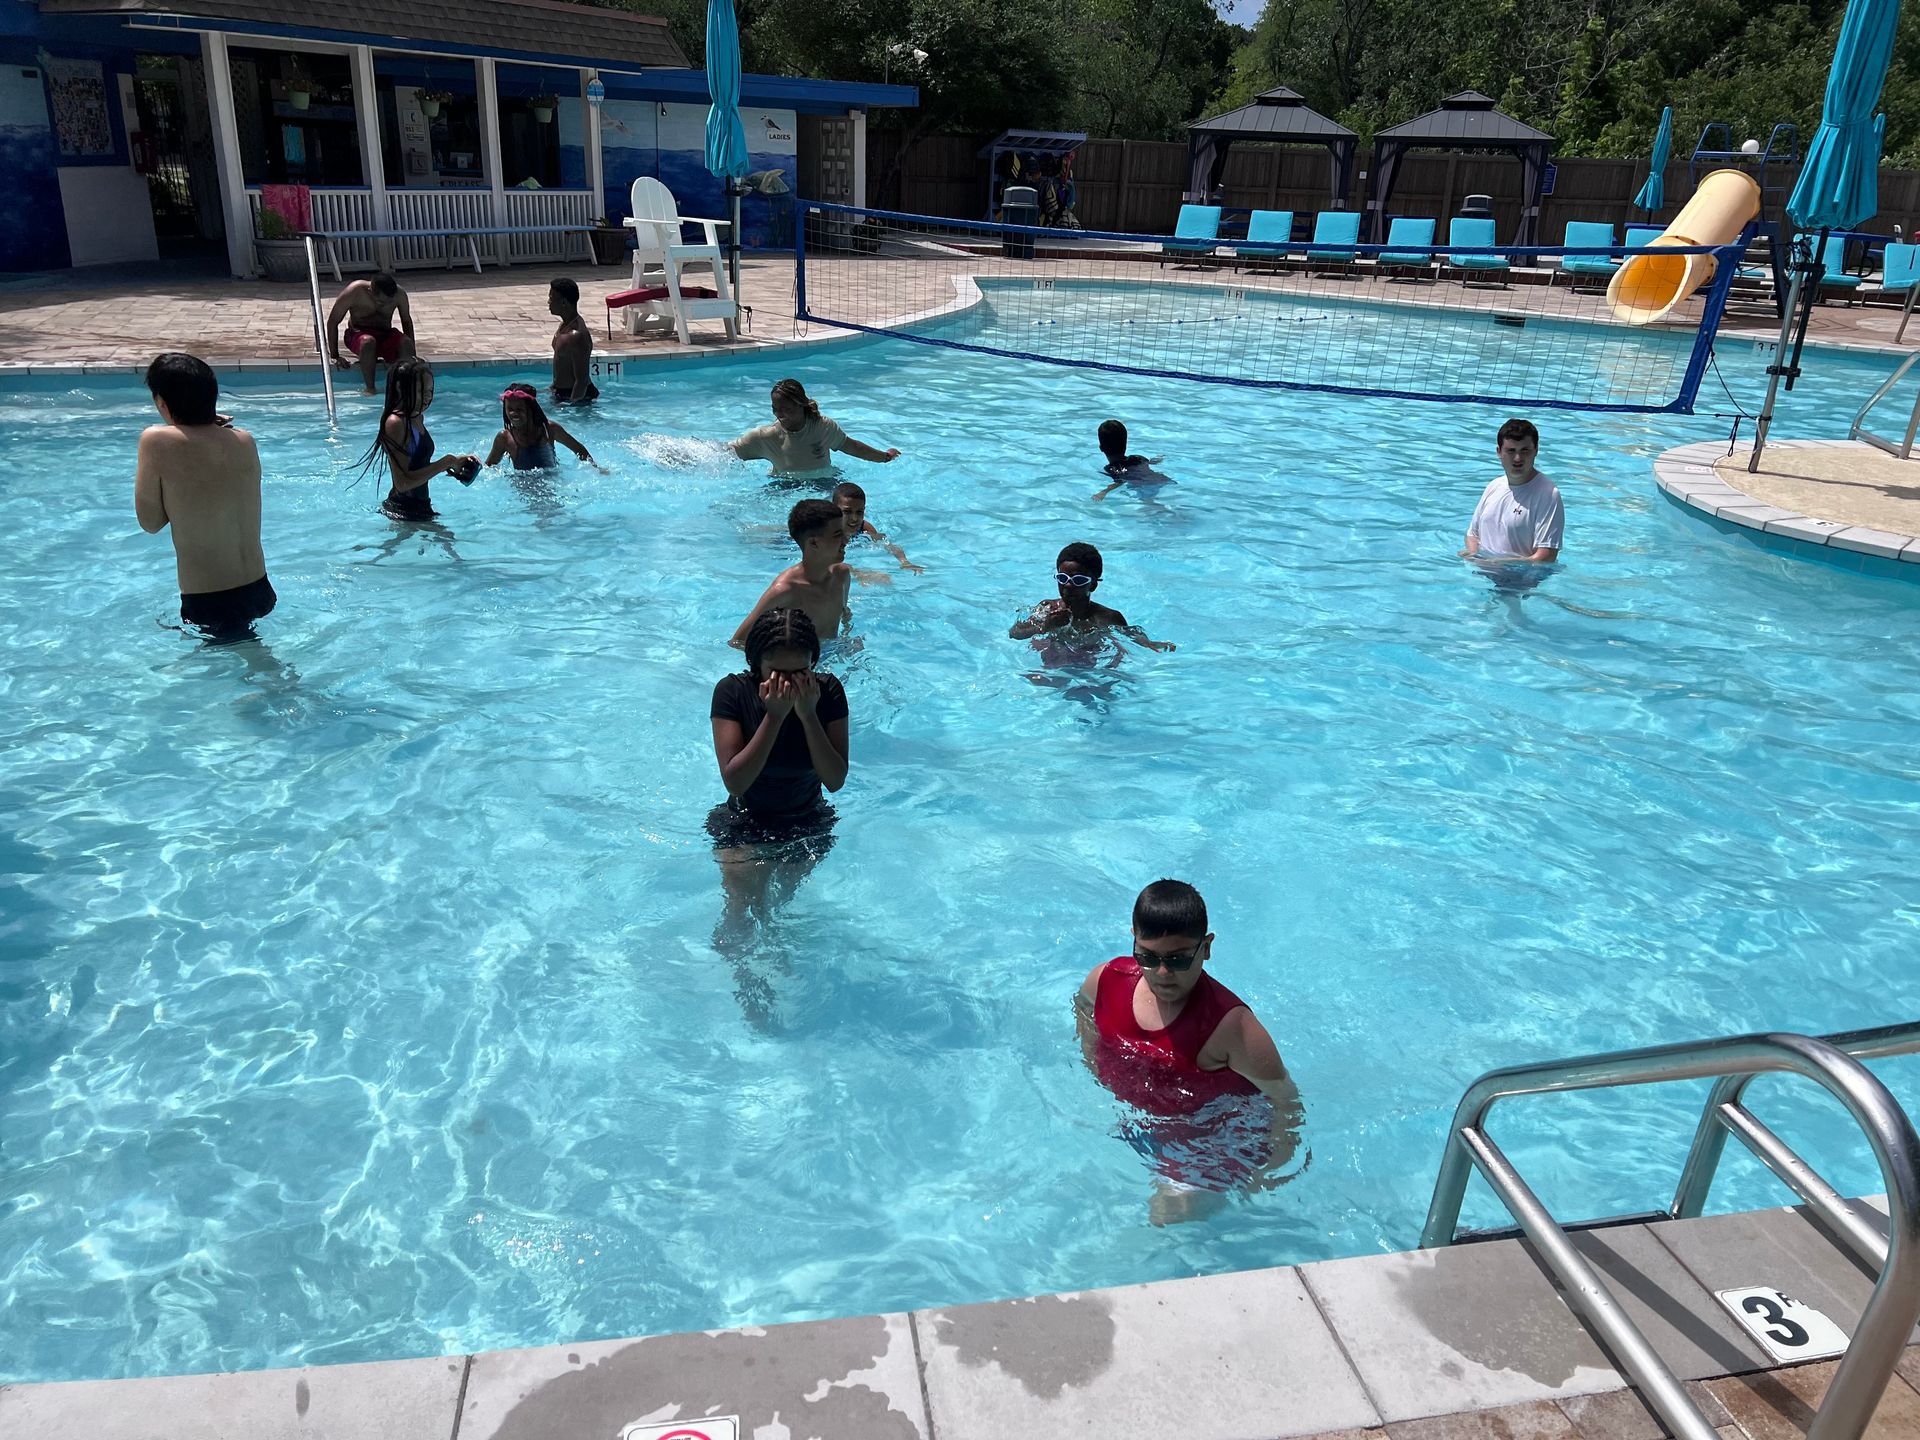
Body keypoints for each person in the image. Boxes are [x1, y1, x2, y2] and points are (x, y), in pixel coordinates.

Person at [1076, 879, 1304, 1218]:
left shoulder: (1232, 1028)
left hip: (1213, 1138)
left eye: (1179, 960)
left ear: (1206, 947)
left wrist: (1265, 1176)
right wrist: (1097, 1071)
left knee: (1166, 1216)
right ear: (1133, 939)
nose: (1163, 972)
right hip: (1145, 1121)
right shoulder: (1105, 981)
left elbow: (1286, 1102)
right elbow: (1083, 1014)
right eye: (1148, 957)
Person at [708, 607, 850, 1022]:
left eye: (799, 672)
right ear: (755, 664)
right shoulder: (732, 692)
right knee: (740, 907)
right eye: (776, 673)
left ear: (814, 665)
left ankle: (774, 966)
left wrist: (806, 714)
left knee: (775, 908)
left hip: (807, 822)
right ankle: (744, 982)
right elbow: (735, 781)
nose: (788, 683)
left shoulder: (828, 693)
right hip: (745, 822)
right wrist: (774, 716)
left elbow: (835, 778)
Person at [134, 352, 275, 642]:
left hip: (210, 599)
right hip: (259, 590)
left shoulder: (155, 440)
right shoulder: (244, 440)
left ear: (162, 402)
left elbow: (150, 523)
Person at [356, 358, 479, 522]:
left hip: (421, 508)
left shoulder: (416, 417)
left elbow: (417, 463)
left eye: (430, 390)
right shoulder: (396, 423)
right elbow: (402, 483)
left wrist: (454, 462)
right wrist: (445, 462)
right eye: (421, 391)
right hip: (403, 511)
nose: (427, 397)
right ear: (401, 389)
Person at [1009, 542, 1176, 653]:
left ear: (1093, 585)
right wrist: (1044, 627)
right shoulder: (1046, 608)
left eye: (1078, 580)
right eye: (1062, 578)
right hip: (1053, 659)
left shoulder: (1107, 617)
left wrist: (1149, 643)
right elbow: (1015, 633)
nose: (1068, 585)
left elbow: (1131, 634)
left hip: (1089, 660)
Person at [730, 499, 852, 647]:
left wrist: (847, 641)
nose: (846, 540)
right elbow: (738, 641)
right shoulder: (785, 590)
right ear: (813, 543)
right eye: (838, 535)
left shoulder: (842, 576)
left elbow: (844, 615)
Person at [730, 378, 901, 477]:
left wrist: (884, 457)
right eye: (775, 409)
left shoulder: (823, 427)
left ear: (802, 405)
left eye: (786, 410)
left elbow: (852, 447)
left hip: (824, 483)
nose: (779, 415)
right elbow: (726, 453)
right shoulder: (765, 437)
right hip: (785, 487)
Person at [1460, 417, 1563, 564]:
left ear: (1536, 451)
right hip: (1482, 578)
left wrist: (1498, 563)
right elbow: (1472, 535)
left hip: (1521, 583)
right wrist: (1473, 555)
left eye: (1525, 450)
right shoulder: (1493, 486)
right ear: (1499, 452)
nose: (1518, 458)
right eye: (1511, 451)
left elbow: (1546, 556)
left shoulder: (1548, 494)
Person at [326, 271, 416, 395]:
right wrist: (335, 355)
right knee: (368, 341)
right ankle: (370, 388)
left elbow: (406, 321)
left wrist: (413, 354)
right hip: (358, 335)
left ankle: (406, 389)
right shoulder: (355, 291)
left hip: (385, 334)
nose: (383, 305)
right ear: (370, 291)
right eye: (380, 302)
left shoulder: (399, 294)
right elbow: (333, 321)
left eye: (387, 303)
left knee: (406, 343)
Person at [485, 383, 595, 470]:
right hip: (523, 488)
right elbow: (488, 467)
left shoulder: (549, 429)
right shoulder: (505, 438)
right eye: (510, 409)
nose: (514, 413)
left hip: (551, 482)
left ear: (531, 409)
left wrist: (596, 469)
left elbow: (579, 450)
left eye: (519, 409)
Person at [833, 481, 923, 574]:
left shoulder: (864, 527)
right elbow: (830, 561)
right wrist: (858, 573)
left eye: (859, 512)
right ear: (834, 509)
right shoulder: (828, 531)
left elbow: (887, 544)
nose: (854, 518)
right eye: (847, 511)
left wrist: (905, 562)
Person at [1092, 419, 1174, 501]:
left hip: (1144, 486)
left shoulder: (1112, 468)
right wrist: (1158, 458)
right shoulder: (1138, 458)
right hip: (1161, 478)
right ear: (1126, 444)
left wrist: (1104, 492)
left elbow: (1120, 482)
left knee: (1151, 504)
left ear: (1101, 448)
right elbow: (1150, 462)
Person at [548, 278, 599, 405]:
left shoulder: (577, 336)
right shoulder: (564, 326)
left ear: (564, 302)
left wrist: (573, 408)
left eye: (552, 298)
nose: (548, 302)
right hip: (562, 393)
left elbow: (582, 380)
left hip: (577, 395)